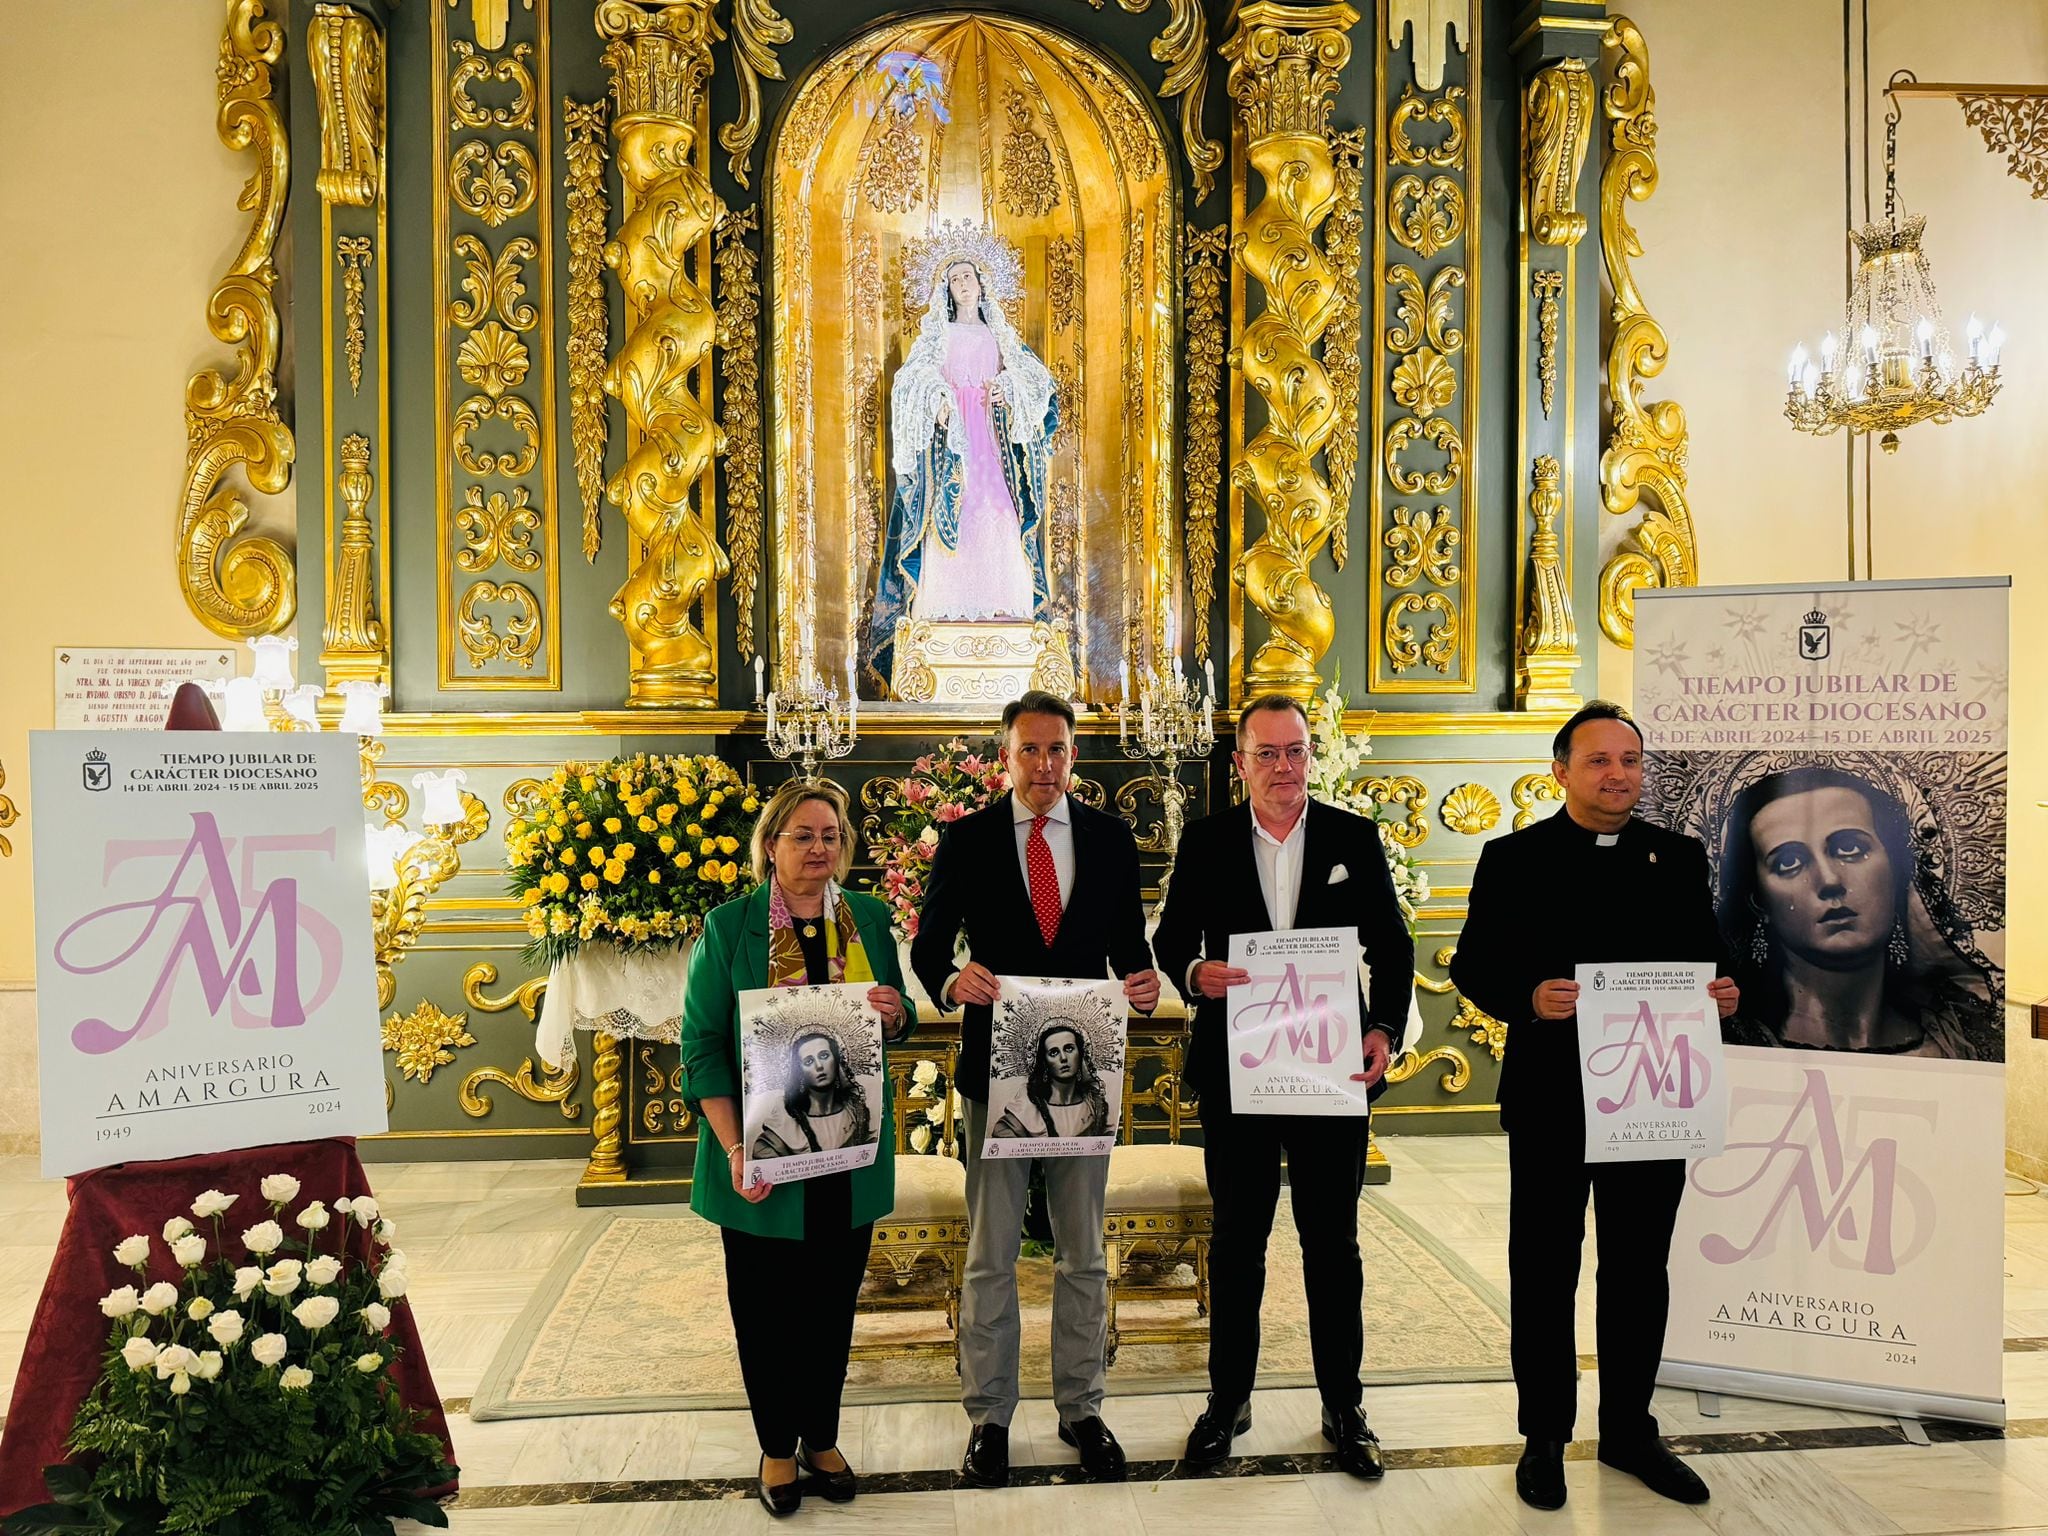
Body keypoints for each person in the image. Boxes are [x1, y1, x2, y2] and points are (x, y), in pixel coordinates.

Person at [1451, 701, 1739, 1512]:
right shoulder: (1512, 858)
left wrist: (1721, 990)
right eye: (1600, 762)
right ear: (1561, 772)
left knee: (1639, 1269)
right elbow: (1474, 963)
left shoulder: (1677, 857)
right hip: (1552, 1098)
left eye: (1631, 761)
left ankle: (1628, 1431)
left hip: (1653, 1096)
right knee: (1544, 1269)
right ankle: (1544, 1436)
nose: (1620, 775)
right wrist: (1528, 997)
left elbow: (1705, 955)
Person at [1151, 693, 1415, 1481]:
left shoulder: (1351, 838)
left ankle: (1345, 1406)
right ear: (1240, 764)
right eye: (1266, 754)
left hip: (1330, 1071)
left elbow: (1393, 948)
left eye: (1295, 751)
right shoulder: (1206, 842)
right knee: (1237, 1245)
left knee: (1332, 1245)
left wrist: (1383, 1030)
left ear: (1311, 755)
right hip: (1240, 1072)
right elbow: (1170, 941)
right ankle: (1227, 1401)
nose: (1283, 768)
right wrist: (1198, 973)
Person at [910, 690, 1159, 1485]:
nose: (1044, 765)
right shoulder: (968, 839)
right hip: (997, 1069)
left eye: (1057, 750)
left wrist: (1145, 979)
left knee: (1083, 1252)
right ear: (1005, 757)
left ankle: (1083, 1408)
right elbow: (926, 948)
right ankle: (989, 1416)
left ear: (1073, 757)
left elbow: (1127, 947)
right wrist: (953, 980)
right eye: (1029, 751)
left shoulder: (1113, 841)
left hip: (1085, 1072)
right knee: (990, 1254)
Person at [679, 779, 914, 1517]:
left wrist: (893, 1010)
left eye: (832, 836)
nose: (820, 849)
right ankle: (777, 1447)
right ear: (771, 846)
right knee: (767, 1309)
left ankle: (822, 1436)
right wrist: (733, 1149)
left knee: (831, 1306)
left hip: (847, 1150)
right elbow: (702, 1048)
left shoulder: (869, 919)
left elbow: (899, 1020)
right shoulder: (730, 927)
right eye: (804, 836)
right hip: (761, 1156)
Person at [866, 241, 1058, 683]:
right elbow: (911, 380)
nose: (962, 285)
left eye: (968, 277)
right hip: (954, 445)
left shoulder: (1001, 337)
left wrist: (1007, 388)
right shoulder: (938, 337)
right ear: (946, 290)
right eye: (954, 279)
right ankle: (942, 626)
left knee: (1001, 517)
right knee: (950, 517)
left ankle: (1003, 617)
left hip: (992, 442)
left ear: (982, 283)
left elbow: (1039, 383)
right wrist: (936, 395)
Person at [1716, 764, 2001, 1060]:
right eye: (1789, 863)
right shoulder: (1728, 1042)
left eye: (1850, 848)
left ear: (1896, 871)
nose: (1829, 880)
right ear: (1758, 901)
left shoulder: (1964, 1041)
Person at [751, 1029, 876, 1159]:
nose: (819, 1066)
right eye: (808, 1061)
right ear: (800, 1072)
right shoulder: (784, 1123)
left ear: (836, 1060)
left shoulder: (855, 1112)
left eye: (824, 1056)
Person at [991, 1021, 1111, 1139]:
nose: (1063, 1058)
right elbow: (1004, 1140)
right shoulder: (1027, 1106)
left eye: (1069, 1049)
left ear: (1080, 1054)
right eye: (1054, 1052)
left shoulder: (1094, 1105)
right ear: (1045, 1062)